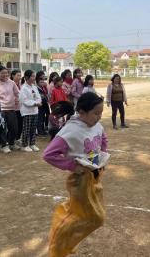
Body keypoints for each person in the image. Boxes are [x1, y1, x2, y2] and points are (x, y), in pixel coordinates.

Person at [43, 92, 108, 257]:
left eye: (101, 113)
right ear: (82, 112)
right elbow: (48, 154)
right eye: (96, 113)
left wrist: (101, 157)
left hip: (94, 176)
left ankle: (66, 242)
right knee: (94, 217)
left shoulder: (95, 125)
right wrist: (72, 165)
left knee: (92, 215)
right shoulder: (70, 131)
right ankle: (57, 244)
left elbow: (102, 138)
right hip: (79, 180)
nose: (99, 117)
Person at [0, 66, 20, 153]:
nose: (5, 75)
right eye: (2, 73)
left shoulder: (12, 82)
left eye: (6, 73)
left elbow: (17, 93)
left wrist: (17, 101)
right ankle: (4, 145)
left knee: (14, 128)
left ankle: (11, 143)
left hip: (11, 108)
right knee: (2, 128)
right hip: (0, 108)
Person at [19, 70, 42, 152]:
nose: (34, 78)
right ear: (26, 77)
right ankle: (24, 145)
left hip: (35, 111)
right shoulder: (23, 88)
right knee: (26, 129)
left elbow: (38, 97)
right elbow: (24, 100)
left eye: (34, 76)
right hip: (27, 112)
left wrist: (38, 102)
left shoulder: (34, 87)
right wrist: (35, 103)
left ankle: (32, 144)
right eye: (32, 76)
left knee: (33, 128)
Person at [36, 71, 50, 137]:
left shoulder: (43, 87)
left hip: (44, 104)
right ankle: (40, 131)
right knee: (40, 118)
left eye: (43, 79)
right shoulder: (36, 87)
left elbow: (46, 94)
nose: (43, 81)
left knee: (43, 118)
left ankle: (42, 130)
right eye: (41, 81)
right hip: (40, 105)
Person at [11, 70, 23, 143]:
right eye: (17, 75)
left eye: (20, 75)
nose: (19, 77)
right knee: (14, 125)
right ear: (13, 76)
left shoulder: (21, 85)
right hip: (13, 108)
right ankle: (13, 139)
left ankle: (18, 138)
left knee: (20, 124)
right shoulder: (11, 84)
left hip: (20, 107)